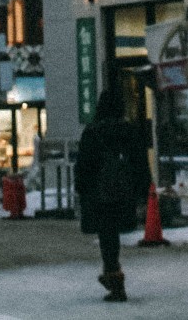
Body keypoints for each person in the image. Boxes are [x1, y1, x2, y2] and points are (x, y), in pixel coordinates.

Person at [75, 86, 149, 303]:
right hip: (124, 193)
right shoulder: (130, 131)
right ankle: (112, 277)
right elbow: (140, 164)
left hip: (99, 194)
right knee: (112, 236)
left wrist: (81, 189)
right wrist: (143, 191)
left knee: (107, 237)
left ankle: (114, 280)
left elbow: (83, 166)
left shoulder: (93, 132)